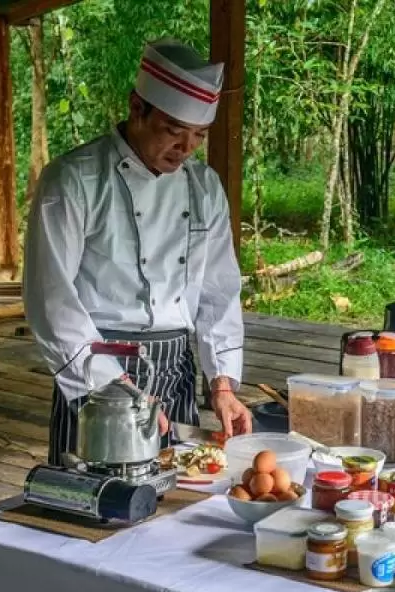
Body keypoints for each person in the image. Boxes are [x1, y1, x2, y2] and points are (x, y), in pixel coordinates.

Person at [23, 39, 252, 465]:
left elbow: (220, 290)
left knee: (179, 507)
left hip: (175, 369)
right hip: (97, 369)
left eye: (198, 135)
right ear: (136, 108)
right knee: (93, 512)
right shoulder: (74, 181)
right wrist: (115, 389)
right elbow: (50, 298)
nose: (185, 148)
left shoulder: (204, 188)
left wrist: (221, 384)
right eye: (172, 130)